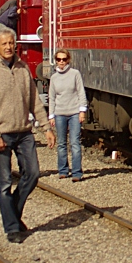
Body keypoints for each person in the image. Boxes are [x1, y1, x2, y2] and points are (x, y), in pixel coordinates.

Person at [0, 25, 55, 243]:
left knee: (33, 174)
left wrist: (46, 128)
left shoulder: (22, 69)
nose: (9, 47)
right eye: (5, 44)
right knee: (3, 183)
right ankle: (12, 228)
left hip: (24, 132)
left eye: (11, 43)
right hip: (1, 133)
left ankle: (13, 211)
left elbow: (34, 101)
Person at [48, 48, 88, 182]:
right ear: (55, 61)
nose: (61, 62)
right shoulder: (53, 78)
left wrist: (82, 110)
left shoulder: (75, 74)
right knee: (61, 143)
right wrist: (51, 116)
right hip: (59, 114)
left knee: (75, 143)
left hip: (74, 113)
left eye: (64, 59)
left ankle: (77, 172)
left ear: (68, 60)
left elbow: (81, 92)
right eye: (58, 59)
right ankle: (63, 170)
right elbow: (52, 97)